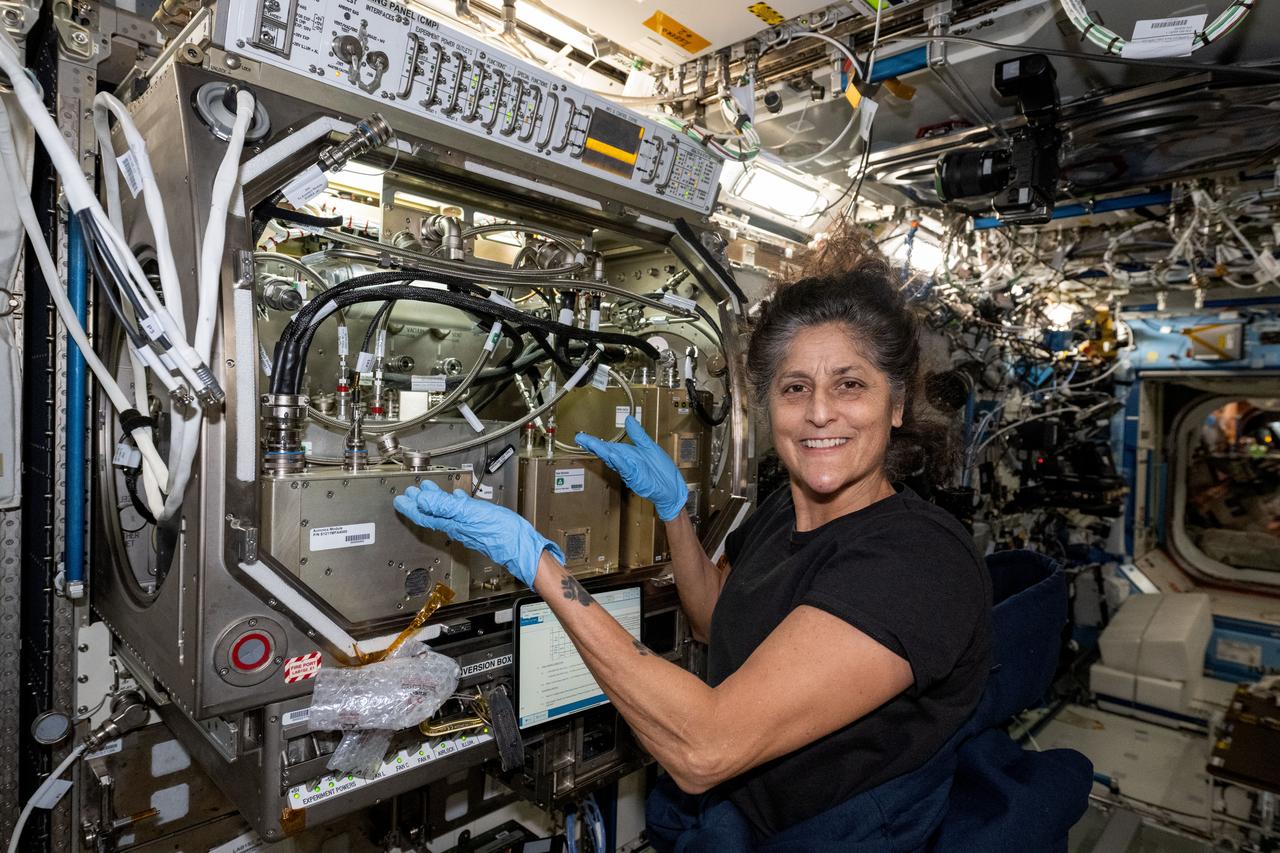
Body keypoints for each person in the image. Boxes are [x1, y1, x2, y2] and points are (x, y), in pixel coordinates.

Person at [394, 237, 992, 848]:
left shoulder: (918, 562)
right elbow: (712, 620)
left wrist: (540, 564)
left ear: (896, 404)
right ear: (768, 406)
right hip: (745, 821)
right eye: (794, 388)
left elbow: (705, 747)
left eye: (850, 385)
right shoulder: (784, 511)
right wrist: (675, 512)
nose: (819, 413)